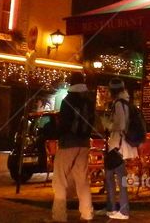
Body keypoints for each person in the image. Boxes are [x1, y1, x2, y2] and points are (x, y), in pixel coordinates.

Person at [52, 72, 95, 222]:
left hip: (68, 143)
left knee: (59, 181)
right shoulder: (88, 101)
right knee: (82, 180)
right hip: (84, 144)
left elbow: (64, 124)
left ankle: (59, 216)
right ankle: (87, 213)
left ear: (71, 83)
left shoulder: (68, 100)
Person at [101, 79, 136, 220]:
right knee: (111, 177)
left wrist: (107, 124)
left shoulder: (118, 104)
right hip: (119, 145)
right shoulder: (126, 102)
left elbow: (120, 124)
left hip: (117, 146)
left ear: (112, 91)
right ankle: (112, 208)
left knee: (115, 178)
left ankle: (122, 211)